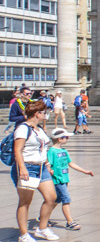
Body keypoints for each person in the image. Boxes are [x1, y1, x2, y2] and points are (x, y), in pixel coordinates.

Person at [11, 100, 56, 242]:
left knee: (51, 198)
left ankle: (42, 229)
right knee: (25, 202)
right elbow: (17, 150)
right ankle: (23, 234)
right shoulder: (23, 129)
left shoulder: (39, 129)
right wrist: (22, 168)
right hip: (28, 167)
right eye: (44, 112)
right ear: (37, 114)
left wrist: (48, 164)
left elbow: (42, 149)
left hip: (42, 167)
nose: (46, 115)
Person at [47, 128, 93, 231]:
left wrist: (84, 171)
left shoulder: (64, 151)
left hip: (65, 179)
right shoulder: (52, 151)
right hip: (57, 180)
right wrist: (49, 170)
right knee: (66, 200)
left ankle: (43, 217)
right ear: (59, 139)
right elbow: (48, 163)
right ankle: (70, 222)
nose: (67, 139)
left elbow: (71, 163)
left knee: (57, 199)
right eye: (66, 137)